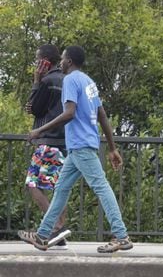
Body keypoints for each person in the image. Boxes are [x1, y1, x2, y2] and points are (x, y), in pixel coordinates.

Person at [18, 45, 133, 253]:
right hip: (79, 146)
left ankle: (121, 235)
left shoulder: (70, 80)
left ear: (69, 61)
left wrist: (38, 131)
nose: (60, 62)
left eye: (62, 59)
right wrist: (112, 148)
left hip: (80, 145)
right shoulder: (89, 82)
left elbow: (69, 113)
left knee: (101, 187)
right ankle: (43, 235)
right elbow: (103, 116)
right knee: (61, 189)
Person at [24, 44, 71, 250]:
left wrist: (36, 82)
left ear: (45, 61)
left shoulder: (47, 80)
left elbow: (34, 108)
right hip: (64, 142)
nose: (36, 63)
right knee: (58, 189)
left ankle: (55, 227)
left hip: (47, 141)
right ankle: (59, 233)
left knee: (32, 185)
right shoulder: (67, 80)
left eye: (37, 59)